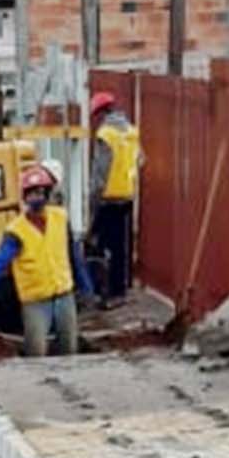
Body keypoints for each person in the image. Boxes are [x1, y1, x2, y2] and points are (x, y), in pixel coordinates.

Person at [0, 164, 88, 357]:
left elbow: (74, 255)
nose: (38, 197)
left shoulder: (60, 218)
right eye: (32, 193)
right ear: (25, 197)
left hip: (64, 296)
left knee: (69, 349)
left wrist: (86, 287)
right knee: (37, 353)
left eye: (42, 192)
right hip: (35, 302)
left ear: (49, 194)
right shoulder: (16, 231)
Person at [89, 92, 142, 305]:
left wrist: (93, 201)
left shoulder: (106, 134)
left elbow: (100, 172)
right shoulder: (131, 131)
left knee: (100, 245)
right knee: (121, 246)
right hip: (127, 197)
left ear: (101, 112)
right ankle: (121, 289)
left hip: (107, 198)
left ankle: (105, 292)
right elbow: (139, 160)